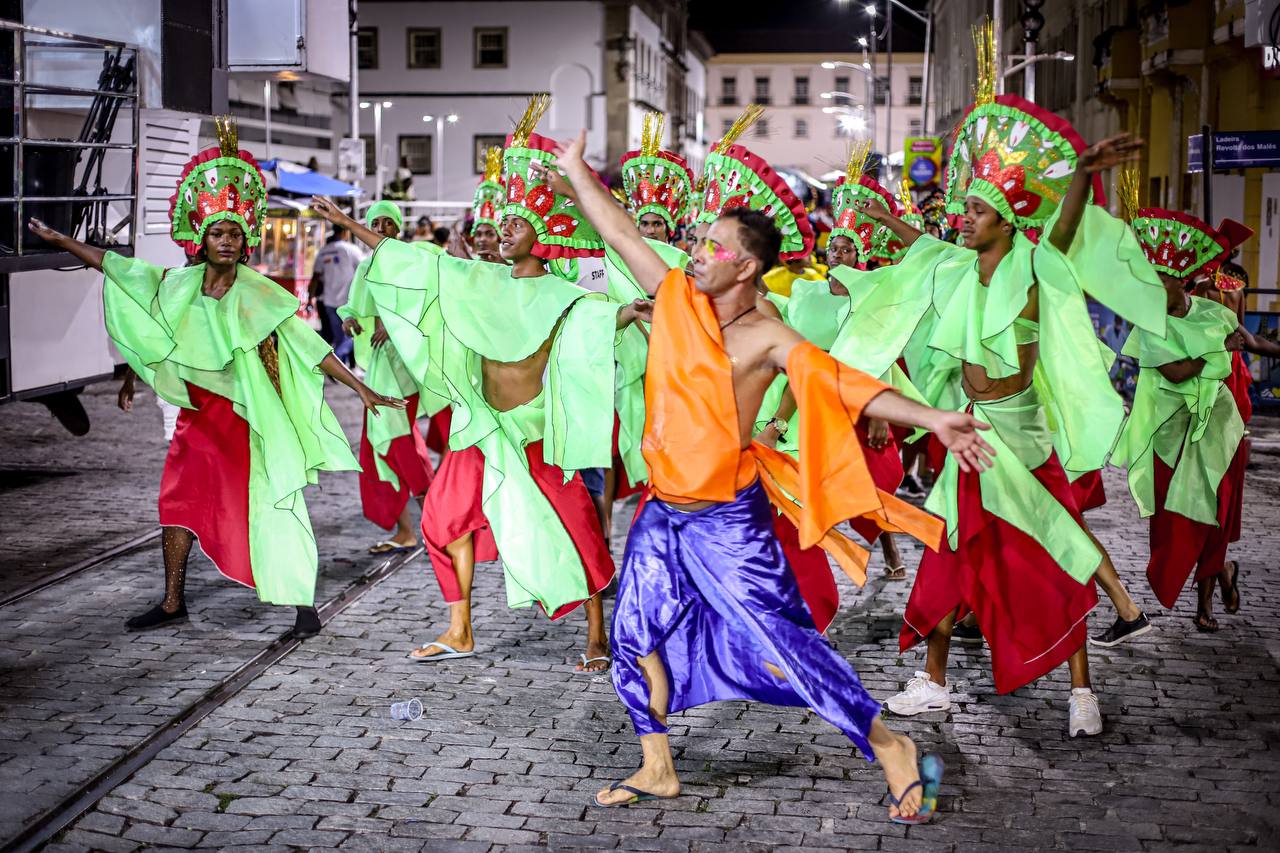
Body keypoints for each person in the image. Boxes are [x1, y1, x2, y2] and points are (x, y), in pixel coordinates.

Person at [555, 123, 997, 820]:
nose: (697, 253)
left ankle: (891, 746)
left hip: (728, 521)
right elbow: (622, 236)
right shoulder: (675, 297)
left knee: (786, 644)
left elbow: (846, 384)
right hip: (662, 512)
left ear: (747, 267)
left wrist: (933, 417)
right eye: (699, 242)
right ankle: (657, 763)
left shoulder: (768, 336)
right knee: (634, 635)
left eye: (713, 247)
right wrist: (577, 172)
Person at [835, 50, 1167, 734]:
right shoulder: (956, 269)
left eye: (977, 210)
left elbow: (1066, 228)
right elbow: (918, 248)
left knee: (1056, 554)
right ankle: (931, 681)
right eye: (964, 207)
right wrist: (877, 214)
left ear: (1008, 220)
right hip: (971, 432)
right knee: (946, 557)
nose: (963, 216)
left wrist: (1081, 174)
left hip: (1023, 434)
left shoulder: (1038, 268)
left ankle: (1082, 693)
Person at [28, 118, 403, 637]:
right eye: (217, 232)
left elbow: (309, 347)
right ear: (201, 238)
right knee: (176, 504)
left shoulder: (261, 293)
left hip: (252, 422)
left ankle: (301, 604)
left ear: (245, 239)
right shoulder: (178, 286)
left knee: (275, 504)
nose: (226, 240)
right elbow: (118, 269)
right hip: (198, 420)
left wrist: (361, 388)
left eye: (234, 232)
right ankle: (172, 600)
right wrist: (62, 240)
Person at [310, 95, 632, 674]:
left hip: (535, 435)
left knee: (578, 529)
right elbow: (410, 260)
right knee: (440, 523)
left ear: (540, 233)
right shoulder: (475, 280)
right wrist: (345, 225)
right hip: (479, 430)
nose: (501, 231)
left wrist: (643, 310)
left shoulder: (567, 295)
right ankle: (460, 629)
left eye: (514, 223)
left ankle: (596, 635)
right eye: (499, 223)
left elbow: (610, 318)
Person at [1111, 208, 1252, 631]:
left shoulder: (1215, 311)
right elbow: (1174, 371)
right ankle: (1222, 572)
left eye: (1161, 278)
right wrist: (1216, 351)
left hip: (1217, 428)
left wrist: (1230, 348)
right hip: (1168, 435)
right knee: (1174, 522)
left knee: (1213, 512)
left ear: (1181, 280)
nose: (1153, 286)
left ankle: (1205, 604)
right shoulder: (1149, 323)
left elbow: (1243, 343)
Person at [338, 199, 445, 554]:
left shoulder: (414, 262)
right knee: (380, 446)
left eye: (387, 223)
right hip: (383, 365)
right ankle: (409, 529)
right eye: (376, 223)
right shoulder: (367, 266)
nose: (382, 229)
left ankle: (436, 520)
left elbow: (428, 304)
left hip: (408, 364)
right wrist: (351, 319)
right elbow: (356, 305)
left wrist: (397, 328)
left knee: (398, 442)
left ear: (398, 228)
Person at [312, 226, 363, 366]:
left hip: (329, 300)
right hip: (348, 302)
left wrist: (311, 297)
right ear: (346, 232)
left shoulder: (323, 251)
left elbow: (316, 276)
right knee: (352, 337)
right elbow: (365, 269)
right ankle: (337, 359)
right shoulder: (351, 250)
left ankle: (342, 367)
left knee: (340, 336)